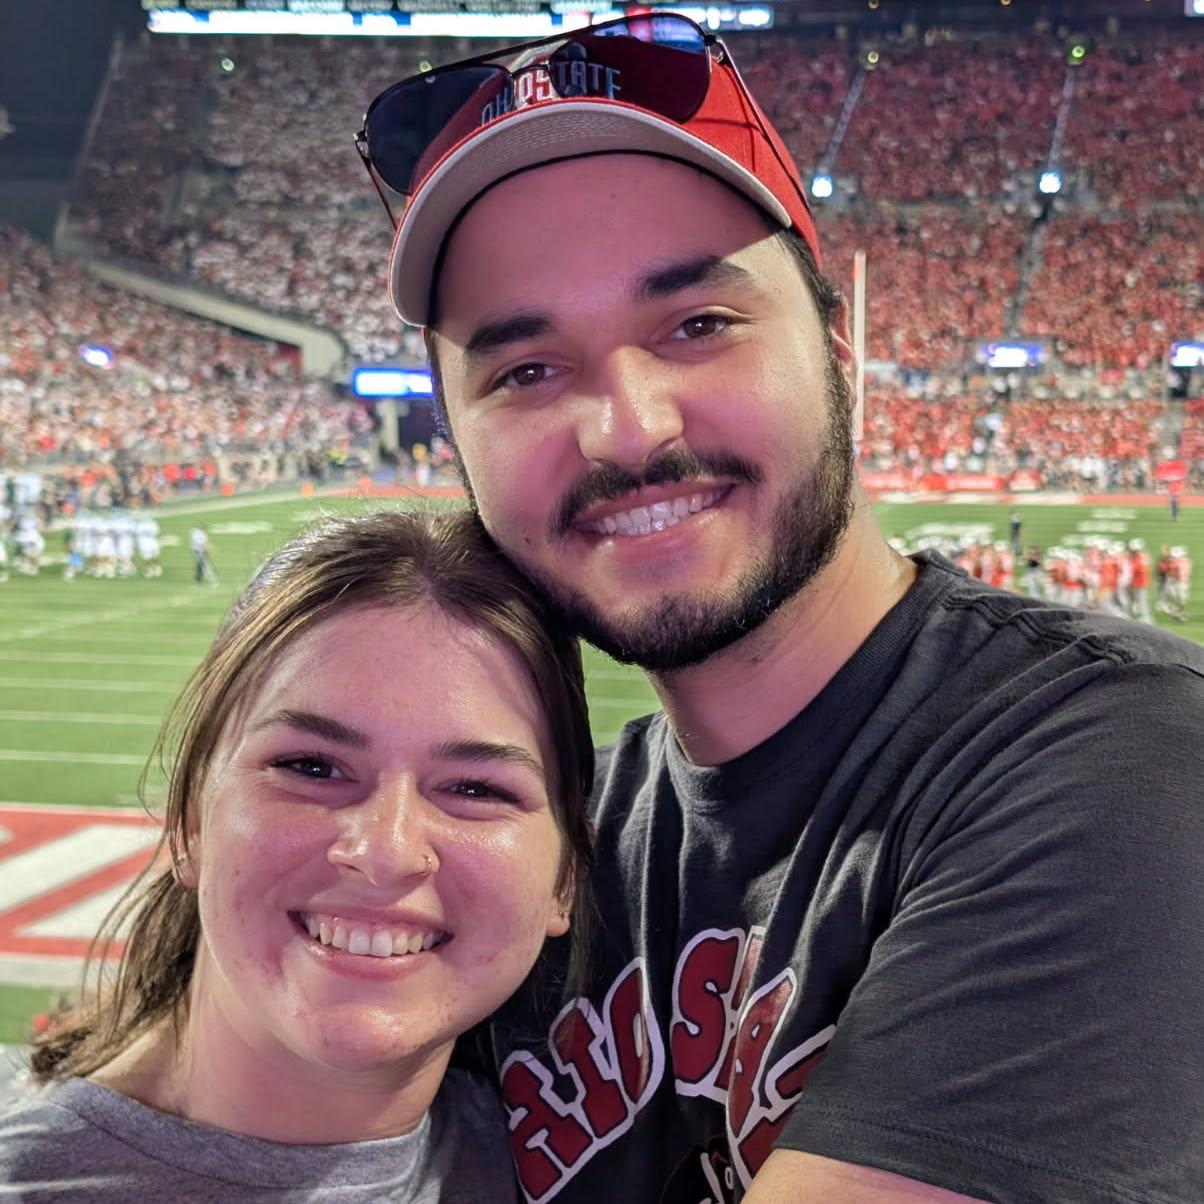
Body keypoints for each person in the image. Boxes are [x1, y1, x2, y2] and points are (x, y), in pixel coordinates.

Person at [357, 15, 1204, 1202]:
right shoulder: (541, 850)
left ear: (838, 350)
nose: (628, 428)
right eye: (525, 371)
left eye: (697, 325)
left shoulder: (1130, 761)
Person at [0, 510, 593, 1202]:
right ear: (190, 819)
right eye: (311, 766)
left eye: (473, 788)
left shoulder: (578, 1155)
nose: (384, 851)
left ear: (565, 878)